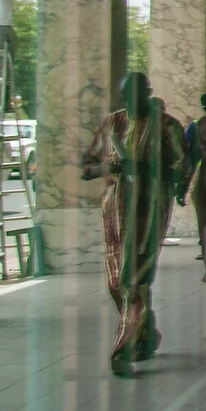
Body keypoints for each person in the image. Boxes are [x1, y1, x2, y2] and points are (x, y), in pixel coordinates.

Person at [82, 72, 187, 378]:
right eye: (126, 98)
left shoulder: (167, 126)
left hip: (149, 212)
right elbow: (86, 167)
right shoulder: (111, 124)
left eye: (138, 96)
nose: (131, 103)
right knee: (116, 284)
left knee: (134, 281)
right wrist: (109, 166)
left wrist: (146, 168)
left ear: (149, 93)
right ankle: (146, 330)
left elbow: (180, 167)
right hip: (115, 214)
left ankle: (122, 349)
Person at [179, 92, 206, 273]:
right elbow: (192, 158)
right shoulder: (200, 125)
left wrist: (182, 188)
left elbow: (191, 159)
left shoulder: (201, 124)